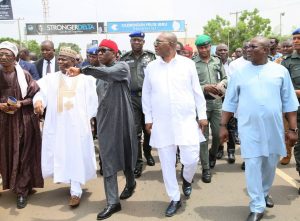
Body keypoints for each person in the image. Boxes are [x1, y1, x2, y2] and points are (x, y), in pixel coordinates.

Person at [220, 36, 299, 221]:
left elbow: (289, 102)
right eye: (247, 46)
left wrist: (293, 130)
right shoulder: (239, 73)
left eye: (253, 46)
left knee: (270, 164)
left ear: (265, 49)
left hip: (274, 128)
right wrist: (223, 126)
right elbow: (230, 102)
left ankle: (263, 193)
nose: (248, 49)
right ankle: (256, 206)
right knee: (253, 164)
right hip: (249, 128)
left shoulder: (280, 71)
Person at [67, 39, 138, 220]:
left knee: (128, 155)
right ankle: (113, 202)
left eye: (104, 50)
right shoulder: (96, 77)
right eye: (98, 51)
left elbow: (108, 73)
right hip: (105, 123)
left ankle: (131, 183)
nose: (99, 53)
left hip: (124, 120)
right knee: (108, 160)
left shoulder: (122, 67)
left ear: (114, 53)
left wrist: (82, 70)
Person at [142, 32, 207, 217]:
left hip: (185, 120)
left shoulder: (188, 64)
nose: (154, 45)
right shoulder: (151, 67)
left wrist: (202, 115)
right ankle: (174, 198)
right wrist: (148, 118)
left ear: (171, 44)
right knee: (167, 163)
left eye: (158, 42)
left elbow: (197, 92)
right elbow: (146, 94)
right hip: (162, 123)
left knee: (191, 158)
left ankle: (187, 179)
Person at [33, 47, 98, 207]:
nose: (60, 62)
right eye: (59, 59)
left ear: (74, 61)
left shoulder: (86, 79)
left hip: (77, 125)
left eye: (64, 59)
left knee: (75, 153)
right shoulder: (51, 78)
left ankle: (76, 191)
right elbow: (40, 92)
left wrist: (87, 119)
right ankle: (68, 179)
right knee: (61, 152)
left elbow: (92, 101)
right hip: (58, 124)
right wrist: (39, 102)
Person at [0, 41, 43, 209]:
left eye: (7, 55)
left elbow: (35, 94)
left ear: (15, 57)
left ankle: (22, 190)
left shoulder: (24, 75)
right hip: (3, 123)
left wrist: (21, 103)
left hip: (23, 121)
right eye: (1, 54)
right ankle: (14, 183)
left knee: (24, 153)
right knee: (8, 152)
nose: (3, 57)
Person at [120, 31, 156, 178]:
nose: (136, 42)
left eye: (139, 40)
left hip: (149, 98)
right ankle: (138, 162)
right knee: (135, 132)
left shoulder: (151, 57)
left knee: (148, 128)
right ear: (130, 42)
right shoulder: (124, 58)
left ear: (143, 42)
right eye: (134, 40)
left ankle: (148, 152)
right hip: (132, 98)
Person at [193, 34, 227, 183]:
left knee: (218, 135)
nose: (204, 49)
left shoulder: (217, 61)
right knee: (203, 138)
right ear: (198, 48)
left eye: (207, 46)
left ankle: (212, 155)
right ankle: (206, 168)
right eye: (201, 47)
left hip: (217, 103)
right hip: (201, 105)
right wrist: (204, 87)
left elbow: (225, 77)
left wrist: (221, 85)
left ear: (210, 46)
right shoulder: (192, 64)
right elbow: (189, 85)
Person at [282, 28, 300, 174]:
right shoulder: (287, 62)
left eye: (298, 38)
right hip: (295, 111)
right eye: (294, 38)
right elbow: (281, 86)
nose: (295, 41)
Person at [214, 43, 236, 163]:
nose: (222, 52)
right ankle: (220, 148)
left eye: (225, 50)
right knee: (219, 125)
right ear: (216, 52)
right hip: (217, 98)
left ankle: (231, 151)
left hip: (231, 98)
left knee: (231, 126)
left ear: (228, 51)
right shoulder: (213, 64)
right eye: (220, 50)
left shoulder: (234, 64)